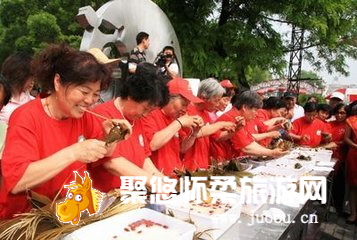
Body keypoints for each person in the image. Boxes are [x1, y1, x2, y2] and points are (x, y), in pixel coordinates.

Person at [0, 44, 130, 219]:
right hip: (30, 220)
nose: (90, 101)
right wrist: (74, 152)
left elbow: (104, 154)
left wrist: (113, 137)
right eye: (84, 91)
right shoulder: (26, 117)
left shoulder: (83, 116)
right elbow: (17, 181)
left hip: (71, 213)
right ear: (58, 82)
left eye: (95, 94)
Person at [88, 62, 169, 193]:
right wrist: (151, 181)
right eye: (146, 108)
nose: (146, 115)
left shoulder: (138, 120)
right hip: (106, 197)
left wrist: (158, 177)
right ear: (131, 96)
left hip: (130, 196)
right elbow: (111, 162)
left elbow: (143, 157)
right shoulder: (103, 115)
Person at [142, 77, 204, 177]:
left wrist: (194, 133)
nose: (185, 109)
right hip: (157, 179)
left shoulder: (173, 119)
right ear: (169, 98)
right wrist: (179, 123)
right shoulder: (151, 113)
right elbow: (152, 144)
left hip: (176, 177)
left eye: (188, 105)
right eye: (183, 104)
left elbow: (182, 148)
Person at [210, 91, 287, 162]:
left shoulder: (243, 118)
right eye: (255, 110)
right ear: (245, 107)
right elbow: (246, 147)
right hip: (220, 161)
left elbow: (250, 141)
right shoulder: (234, 118)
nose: (257, 114)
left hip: (230, 159)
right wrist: (271, 152)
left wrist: (269, 152)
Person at [182, 78, 236, 171]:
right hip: (189, 167)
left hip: (203, 166)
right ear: (203, 97)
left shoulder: (206, 113)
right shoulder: (187, 110)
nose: (218, 104)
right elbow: (196, 133)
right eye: (216, 100)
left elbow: (217, 136)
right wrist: (221, 124)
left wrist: (236, 128)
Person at [0, 53, 35, 124]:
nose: (32, 80)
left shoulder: (32, 101)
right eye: (31, 76)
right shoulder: (2, 101)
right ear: (21, 76)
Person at [344, 102, 357, 223]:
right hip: (354, 154)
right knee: (353, 186)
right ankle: (353, 213)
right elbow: (346, 138)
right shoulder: (351, 120)